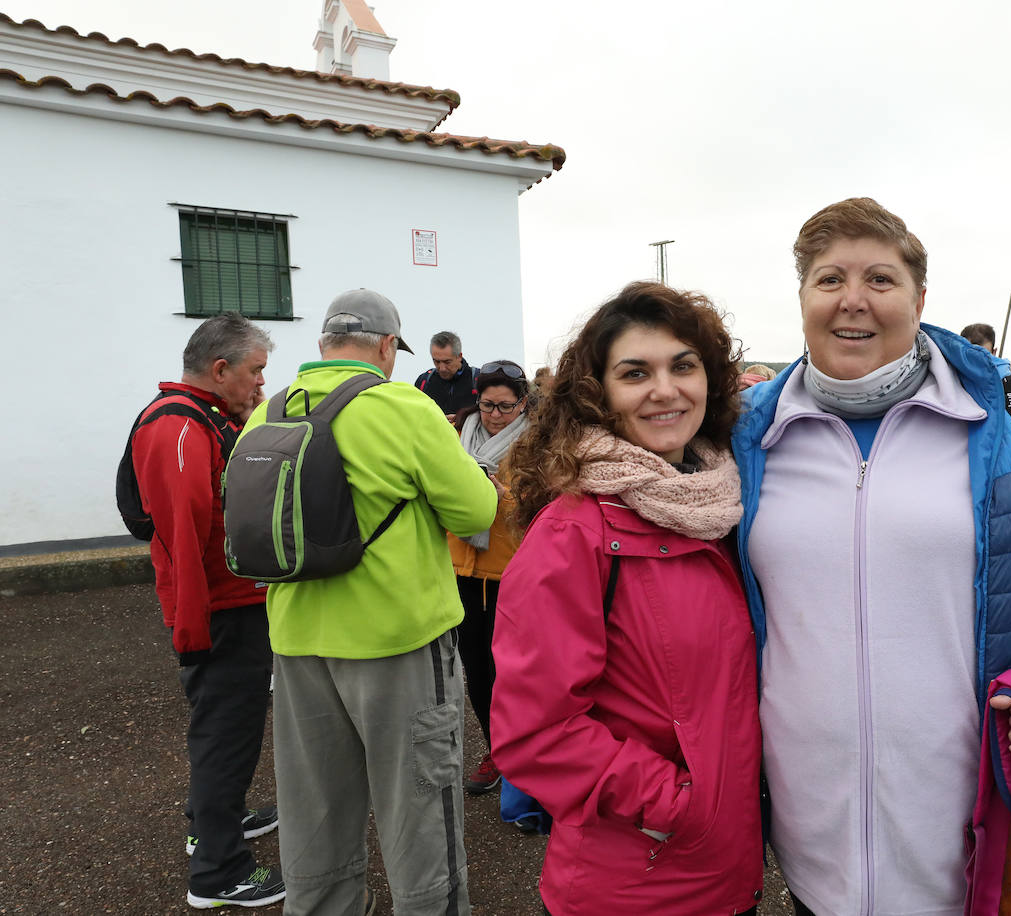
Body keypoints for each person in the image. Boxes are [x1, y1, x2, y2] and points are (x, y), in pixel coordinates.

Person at [732, 198, 1011, 916]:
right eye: (829, 280)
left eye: (881, 281)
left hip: (972, 837)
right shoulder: (747, 434)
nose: (853, 301)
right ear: (801, 297)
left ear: (920, 300)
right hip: (811, 841)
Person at [490, 282, 764, 915]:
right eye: (635, 373)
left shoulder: (720, 507)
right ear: (599, 395)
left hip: (726, 870)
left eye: (683, 366)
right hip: (638, 879)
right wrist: (682, 808)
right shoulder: (575, 533)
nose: (665, 390)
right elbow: (535, 733)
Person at [253, 289, 496, 915]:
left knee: (315, 815)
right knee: (418, 813)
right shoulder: (401, 406)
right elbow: (476, 510)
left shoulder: (269, 410)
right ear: (387, 346)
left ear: (323, 345)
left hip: (297, 643)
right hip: (397, 643)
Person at [130, 314, 283, 910]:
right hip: (220, 614)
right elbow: (184, 541)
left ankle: (218, 818)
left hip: (230, 607)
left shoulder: (203, 418)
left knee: (228, 727)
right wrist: (193, 631)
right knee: (225, 731)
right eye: (255, 372)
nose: (261, 386)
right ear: (220, 371)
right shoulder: (180, 429)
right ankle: (218, 872)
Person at [447, 359, 532, 796]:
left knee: (514, 673)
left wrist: (506, 497)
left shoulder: (537, 446)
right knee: (477, 671)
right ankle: (497, 750)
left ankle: (526, 757)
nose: (495, 415)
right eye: (487, 405)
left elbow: (546, 511)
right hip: (461, 569)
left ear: (523, 404)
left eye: (506, 407)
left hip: (511, 574)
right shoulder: (455, 437)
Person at [416, 330, 478, 421]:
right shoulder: (423, 381)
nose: (442, 368)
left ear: (459, 356)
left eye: (447, 362)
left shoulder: (478, 380)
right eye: (436, 361)